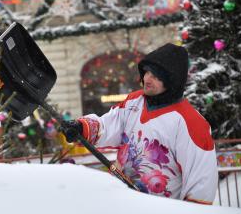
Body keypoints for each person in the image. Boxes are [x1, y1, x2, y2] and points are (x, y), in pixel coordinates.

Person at [61, 43, 218, 204]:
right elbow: (108, 125)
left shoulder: (190, 122)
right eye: (147, 72)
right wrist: (82, 127)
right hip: (123, 203)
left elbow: (201, 182)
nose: (147, 78)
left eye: (156, 75)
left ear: (172, 81)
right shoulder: (133, 102)